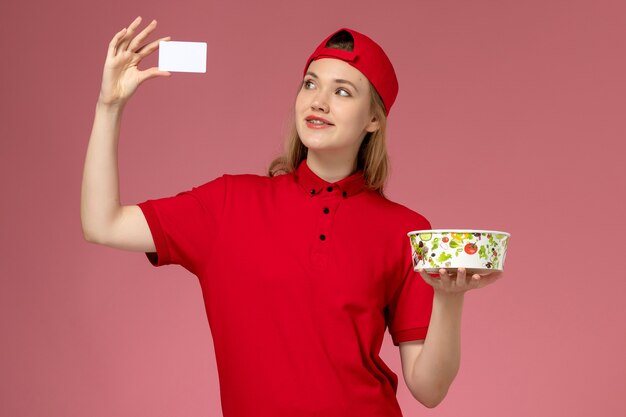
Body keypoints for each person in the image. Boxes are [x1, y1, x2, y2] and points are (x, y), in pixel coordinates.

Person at [81, 15, 503, 417]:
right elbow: (103, 224)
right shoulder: (228, 203)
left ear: (374, 118)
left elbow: (429, 390)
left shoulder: (405, 231)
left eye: (343, 91)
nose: (318, 101)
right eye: (310, 84)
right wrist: (108, 106)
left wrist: (450, 298)